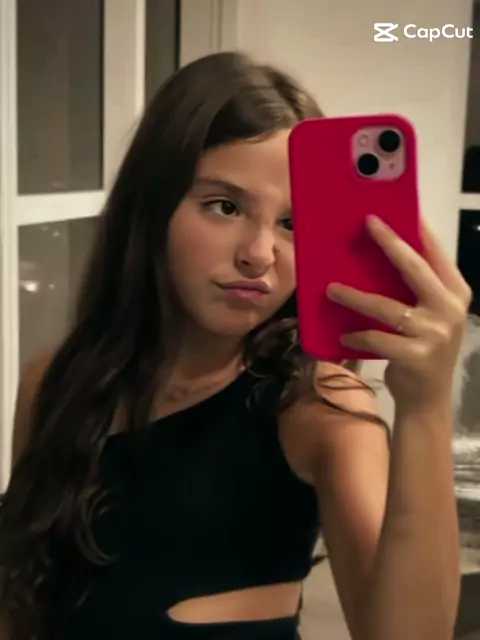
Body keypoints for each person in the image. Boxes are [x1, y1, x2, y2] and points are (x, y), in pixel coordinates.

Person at [0, 51, 471, 640]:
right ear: (152, 209)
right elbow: (19, 601)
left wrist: (425, 406)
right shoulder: (54, 382)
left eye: (292, 223)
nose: (258, 254)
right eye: (224, 206)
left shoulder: (319, 410)